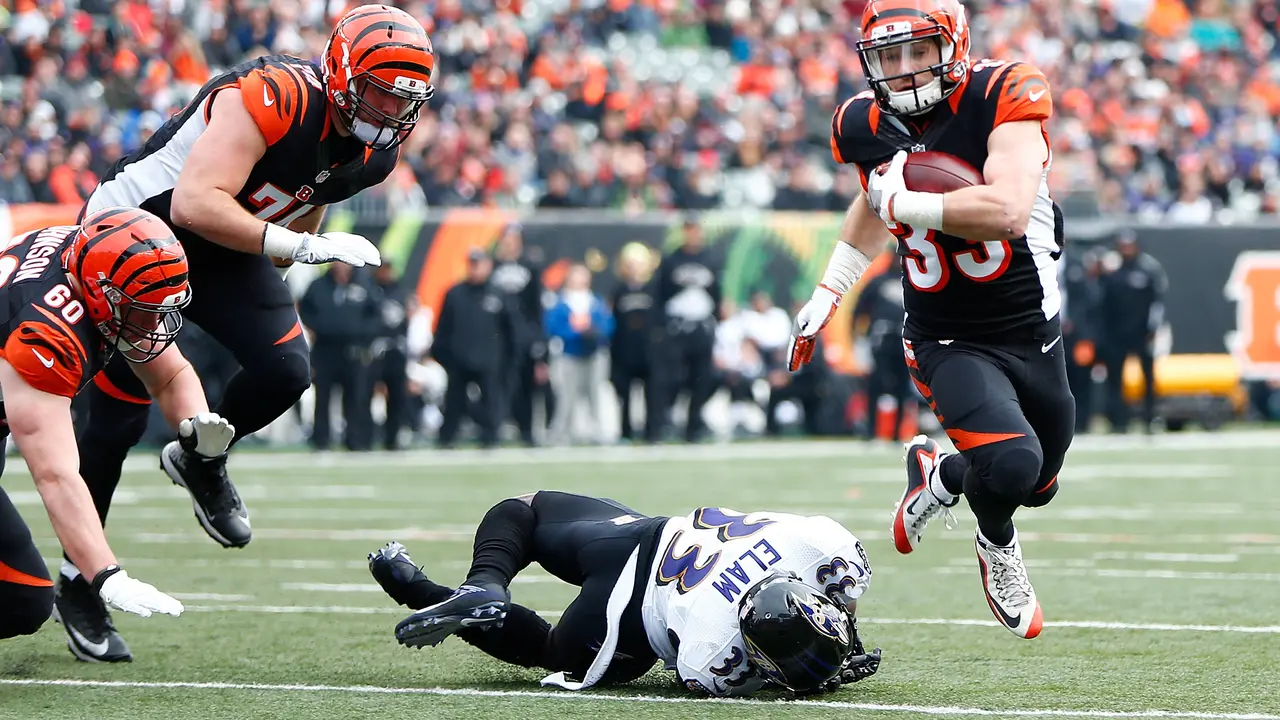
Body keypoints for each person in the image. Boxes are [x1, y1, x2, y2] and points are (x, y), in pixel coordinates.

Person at [63, 5, 436, 661]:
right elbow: (194, 201)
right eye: (382, 88)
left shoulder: (377, 154)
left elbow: (313, 188)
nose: (393, 106)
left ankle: (201, 457)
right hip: (139, 235)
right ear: (345, 72)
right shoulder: (273, 95)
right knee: (117, 422)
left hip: (227, 248)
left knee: (287, 370)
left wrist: (299, 246)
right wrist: (295, 244)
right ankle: (80, 582)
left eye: (406, 96)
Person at [787, 0, 1071, 639]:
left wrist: (907, 202)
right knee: (1014, 466)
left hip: (1032, 326)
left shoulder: (1004, 92)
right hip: (946, 334)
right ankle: (997, 547)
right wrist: (830, 290)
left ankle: (938, 476)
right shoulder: (862, 121)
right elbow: (871, 197)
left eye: (920, 50)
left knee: (1039, 481)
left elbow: (1006, 211)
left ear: (956, 46)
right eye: (890, 56)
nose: (906, 68)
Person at [0, 207, 234, 655]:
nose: (155, 324)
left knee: (22, 600)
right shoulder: (45, 330)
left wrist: (198, 434)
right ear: (103, 293)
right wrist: (107, 575)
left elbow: (169, 374)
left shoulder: (88, 262)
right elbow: (55, 475)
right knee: (20, 598)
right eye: (144, 309)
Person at [370, 493, 882, 696]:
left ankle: (483, 584)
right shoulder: (714, 649)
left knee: (522, 510)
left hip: (642, 535)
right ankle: (419, 591)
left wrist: (828, 637)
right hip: (627, 617)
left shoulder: (816, 541)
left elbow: (846, 596)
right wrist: (816, 674)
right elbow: (708, 676)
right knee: (550, 649)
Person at [1099, 230, 1166, 434]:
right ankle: (1118, 421)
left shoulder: (1148, 270)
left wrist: (1153, 329)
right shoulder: (1112, 271)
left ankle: (1149, 418)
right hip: (1116, 334)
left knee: (1147, 377)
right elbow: (1103, 303)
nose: (1126, 249)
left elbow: (1158, 303)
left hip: (1141, 333)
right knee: (1115, 379)